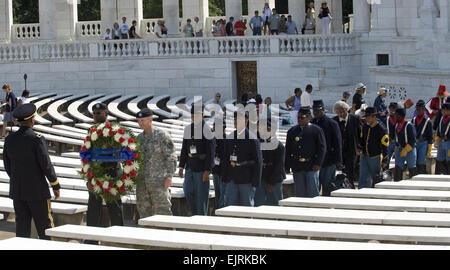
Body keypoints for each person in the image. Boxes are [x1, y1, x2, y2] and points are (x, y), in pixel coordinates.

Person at [3, 103, 60, 239]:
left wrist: (18, 178)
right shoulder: (37, 139)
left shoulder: (9, 139)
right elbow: (46, 165)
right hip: (37, 191)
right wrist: (55, 184)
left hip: (18, 190)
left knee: (22, 229)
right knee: (45, 227)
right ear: (32, 120)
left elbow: (7, 165)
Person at [86, 103, 124, 231]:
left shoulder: (115, 130)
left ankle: (118, 236)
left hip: (111, 173)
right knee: (93, 207)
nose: (95, 116)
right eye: (94, 113)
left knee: (114, 207)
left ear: (106, 114)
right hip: (96, 175)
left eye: (98, 113)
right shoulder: (91, 130)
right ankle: (91, 237)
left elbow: (118, 152)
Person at [136, 108, 177, 218]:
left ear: (150, 119)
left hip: (159, 182)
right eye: (138, 121)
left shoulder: (162, 135)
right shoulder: (138, 138)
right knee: (144, 214)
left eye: (142, 120)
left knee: (163, 213)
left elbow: (171, 157)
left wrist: (169, 177)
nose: (140, 123)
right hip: (142, 184)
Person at [178, 104, 215, 215]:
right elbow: (184, 148)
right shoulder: (188, 128)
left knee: (201, 196)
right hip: (190, 166)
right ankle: (194, 214)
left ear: (203, 115)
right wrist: (181, 166)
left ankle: (201, 218)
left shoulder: (207, 130)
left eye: (197, 115)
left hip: (202, 168)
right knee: (188, 190)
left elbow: (211, 152)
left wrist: (208, 170)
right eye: (193, 115)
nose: (194, 117)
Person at [222, 111, 262, 206]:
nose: (236, 122)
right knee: (230, 208)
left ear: (246, 121)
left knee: (246, 208)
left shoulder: (252, 139)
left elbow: (258, 162)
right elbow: (225, 159)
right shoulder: (230, 137)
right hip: (232, 179)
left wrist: (255, 182)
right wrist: (224, 177)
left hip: (246, 180)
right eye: (235, 119)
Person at [285, 107, 326, 197]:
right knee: (300, 193)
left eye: (302, 117)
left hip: (311, 165)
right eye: (298, 117)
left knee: (312, 193)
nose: (300, 119)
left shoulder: (316, 130)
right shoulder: (292, 131)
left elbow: (322, 148)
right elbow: (288, 150)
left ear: (309, 117)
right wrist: (287, 166)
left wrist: (318, 163)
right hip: (297, 166)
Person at [311, 100, 342, 196]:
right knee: (314, 188)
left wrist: (338, 160)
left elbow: (337, 143)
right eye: (314, 110)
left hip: (328, 160)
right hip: (314, 160)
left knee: (327, 187)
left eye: (317, 110)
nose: (315, 113)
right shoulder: (311, 123)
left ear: (323, 110)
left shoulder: (332, 124)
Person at [255, 119, 285, 206]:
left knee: (275, 203)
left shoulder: (278, 145)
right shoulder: (258, 143)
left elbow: (279, 166)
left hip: (274, 178)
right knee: (258, 203)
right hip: (261, 177)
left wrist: (272, 182)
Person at [358, 107, 389, 189]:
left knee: (376, 179)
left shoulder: (381, 128)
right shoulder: (365, 126)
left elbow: (385, 145)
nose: (366, 119)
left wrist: (385, 159)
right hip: (364, 155)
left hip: (375, 157)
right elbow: (361, 139)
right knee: (363, 177)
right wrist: (359, 148)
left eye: (368, 117)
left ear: (374, 116)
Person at [333, 101, 361, 188]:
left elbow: (359, 134)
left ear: (346, 110)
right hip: (339, 150)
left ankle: (351, 186)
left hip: (351, 149)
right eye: (338, 112)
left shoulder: (355, 119)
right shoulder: (334, 121)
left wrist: (359, 147)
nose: (341, 114)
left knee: (351, 169)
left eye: (342, 112)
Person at [393, 107, 417, 181]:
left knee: (411, 167)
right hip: (400, 148)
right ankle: (398, 182)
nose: (395, 117)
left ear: (401, 116)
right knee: (398, 166)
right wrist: (395, 150)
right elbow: (397, 140)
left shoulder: (409, 125)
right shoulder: (397, 126)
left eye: (396, 115)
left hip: (410, 149)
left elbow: (413, 141)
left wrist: (406, 150)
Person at [412, 100, 433, 174]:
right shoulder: (413, 120)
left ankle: (421, 174)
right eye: (417, 109)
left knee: (421, 161)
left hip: (424, 143)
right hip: (415, 143)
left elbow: (430, 136)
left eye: (419, 109)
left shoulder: (428, 121)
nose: (418, 111)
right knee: (414, 160)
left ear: (424, 109)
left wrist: (429, 149)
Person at [212, 119, 227, 209]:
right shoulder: (213, 139)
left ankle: (220, 211)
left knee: (223, 194)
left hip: (223, 171)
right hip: (215, 170)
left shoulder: (226, 140)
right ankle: (218, 209)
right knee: (218, 193)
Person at [434, 102, 450, 175]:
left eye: (444, 110)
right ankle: (444, 173)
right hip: (441, 142)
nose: (442, 112)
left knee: (448, 160)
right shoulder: (441, 119)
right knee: (440, 159)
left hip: (448, 142)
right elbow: (439, 129)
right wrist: (437, 138)